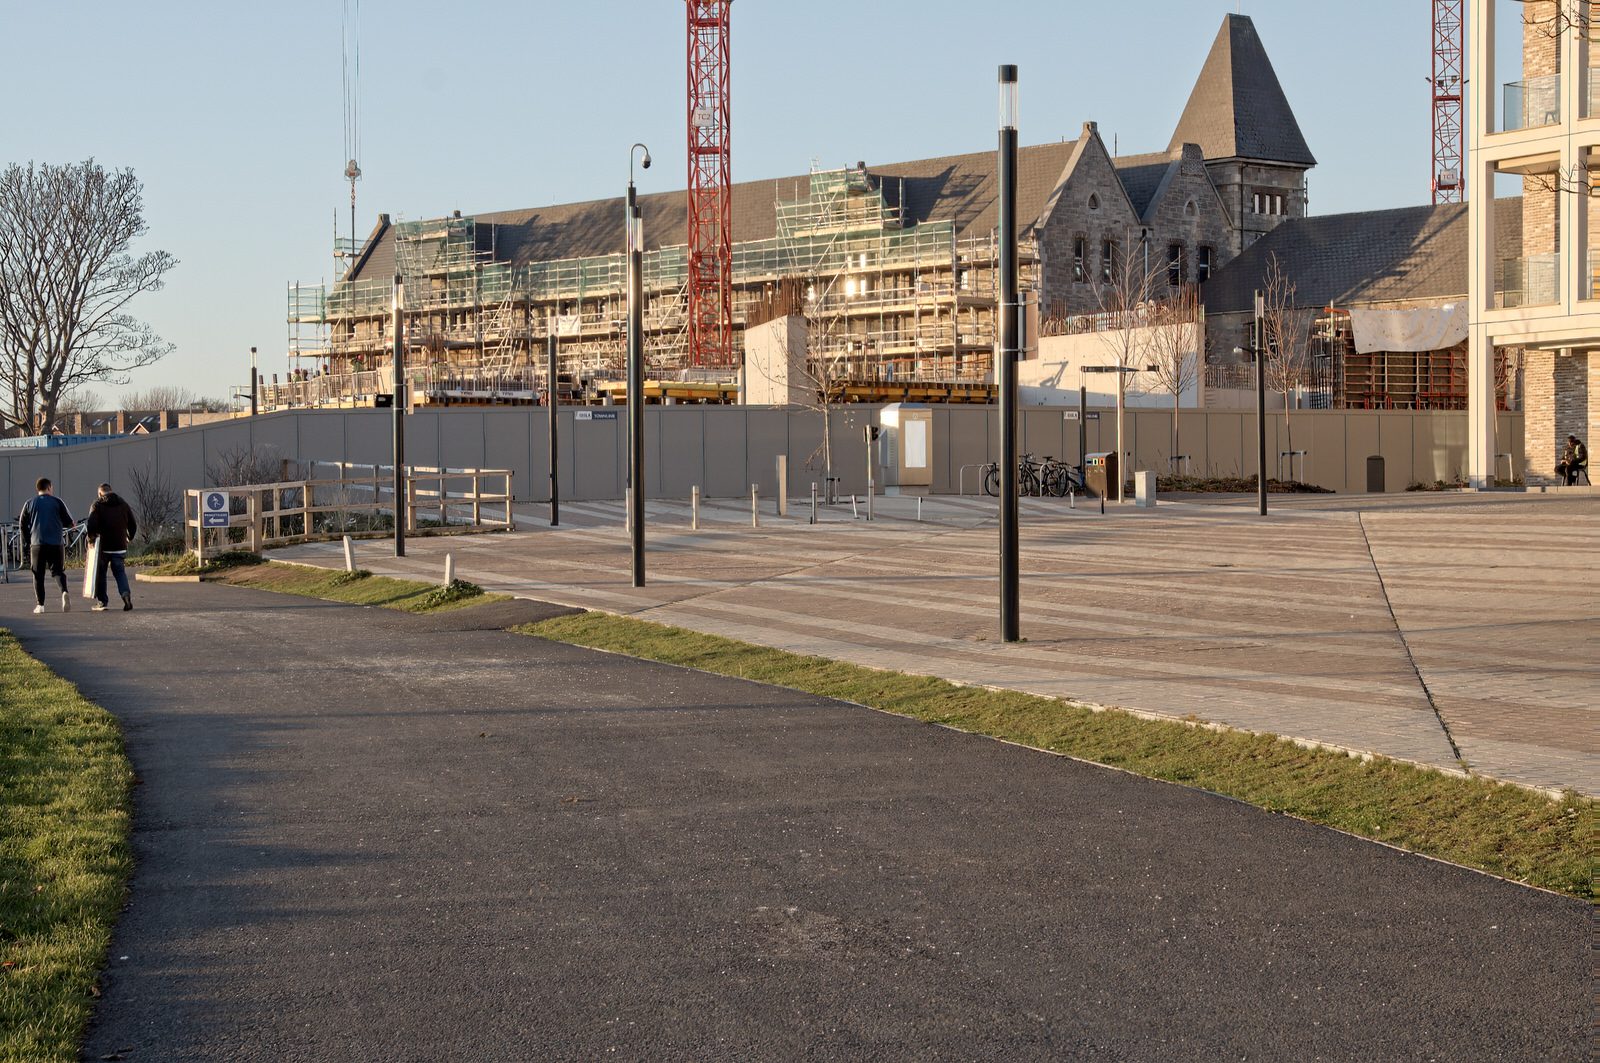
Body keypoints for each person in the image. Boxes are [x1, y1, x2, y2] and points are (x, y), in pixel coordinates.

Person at [18, 477, 74, 615]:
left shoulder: (29, 503)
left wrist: (28, 541)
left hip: (37, 544)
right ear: (49, 488)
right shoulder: (58, 502)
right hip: (56, 543)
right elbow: (69, 522)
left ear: (38, 489)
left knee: (38, 575)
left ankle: (40, 605)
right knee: (58, 572)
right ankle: (64, 592)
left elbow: (22, 525)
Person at [86, 482, 137, 612]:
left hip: (103, 547)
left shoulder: (97, 505)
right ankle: (126, 595)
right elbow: (132, 524)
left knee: (101, 574)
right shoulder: (123, 504)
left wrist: (91, 538)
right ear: (111, 491)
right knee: (120, 572)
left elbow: (91, 524)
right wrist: (129, 537)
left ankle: (102, 602)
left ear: (100, 493)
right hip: (120, 545)